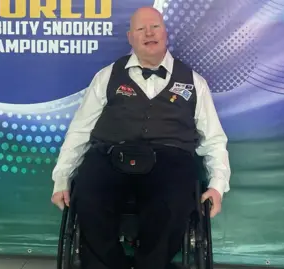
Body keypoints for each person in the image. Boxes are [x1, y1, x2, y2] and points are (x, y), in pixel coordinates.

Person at [51, 6, 231, 269]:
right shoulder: (107, 76)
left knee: (174, 203)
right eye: (141, 28)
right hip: (111, 154)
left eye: (155, 26)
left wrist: (217, 185)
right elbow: (79, 130)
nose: (149, 33)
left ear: (165, 33)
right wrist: (61, 178)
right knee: (88, 197)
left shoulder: (194, 82)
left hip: (170, 157)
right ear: (130, 37)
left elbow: (213, 139)